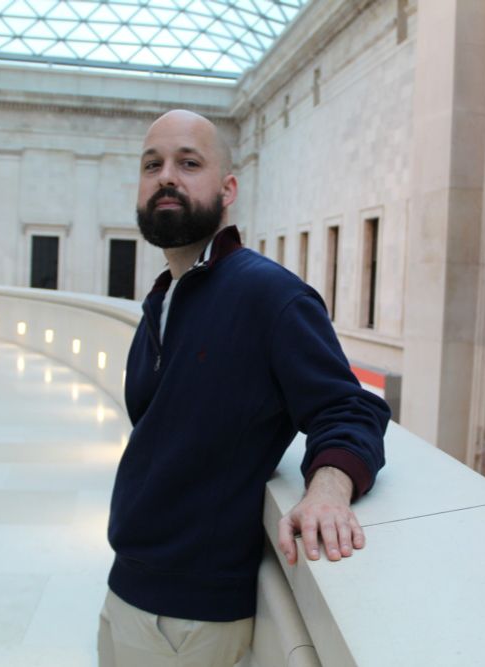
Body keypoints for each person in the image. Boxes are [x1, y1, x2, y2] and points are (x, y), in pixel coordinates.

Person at [99, 110, 390, 667]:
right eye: (152, 164)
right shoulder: (164, 297)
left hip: (192, 621)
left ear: (227, 188)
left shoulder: (269, 296)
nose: (167, 176)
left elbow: (349, 407)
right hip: (128, 586)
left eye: (189, 163)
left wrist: (327, 491)